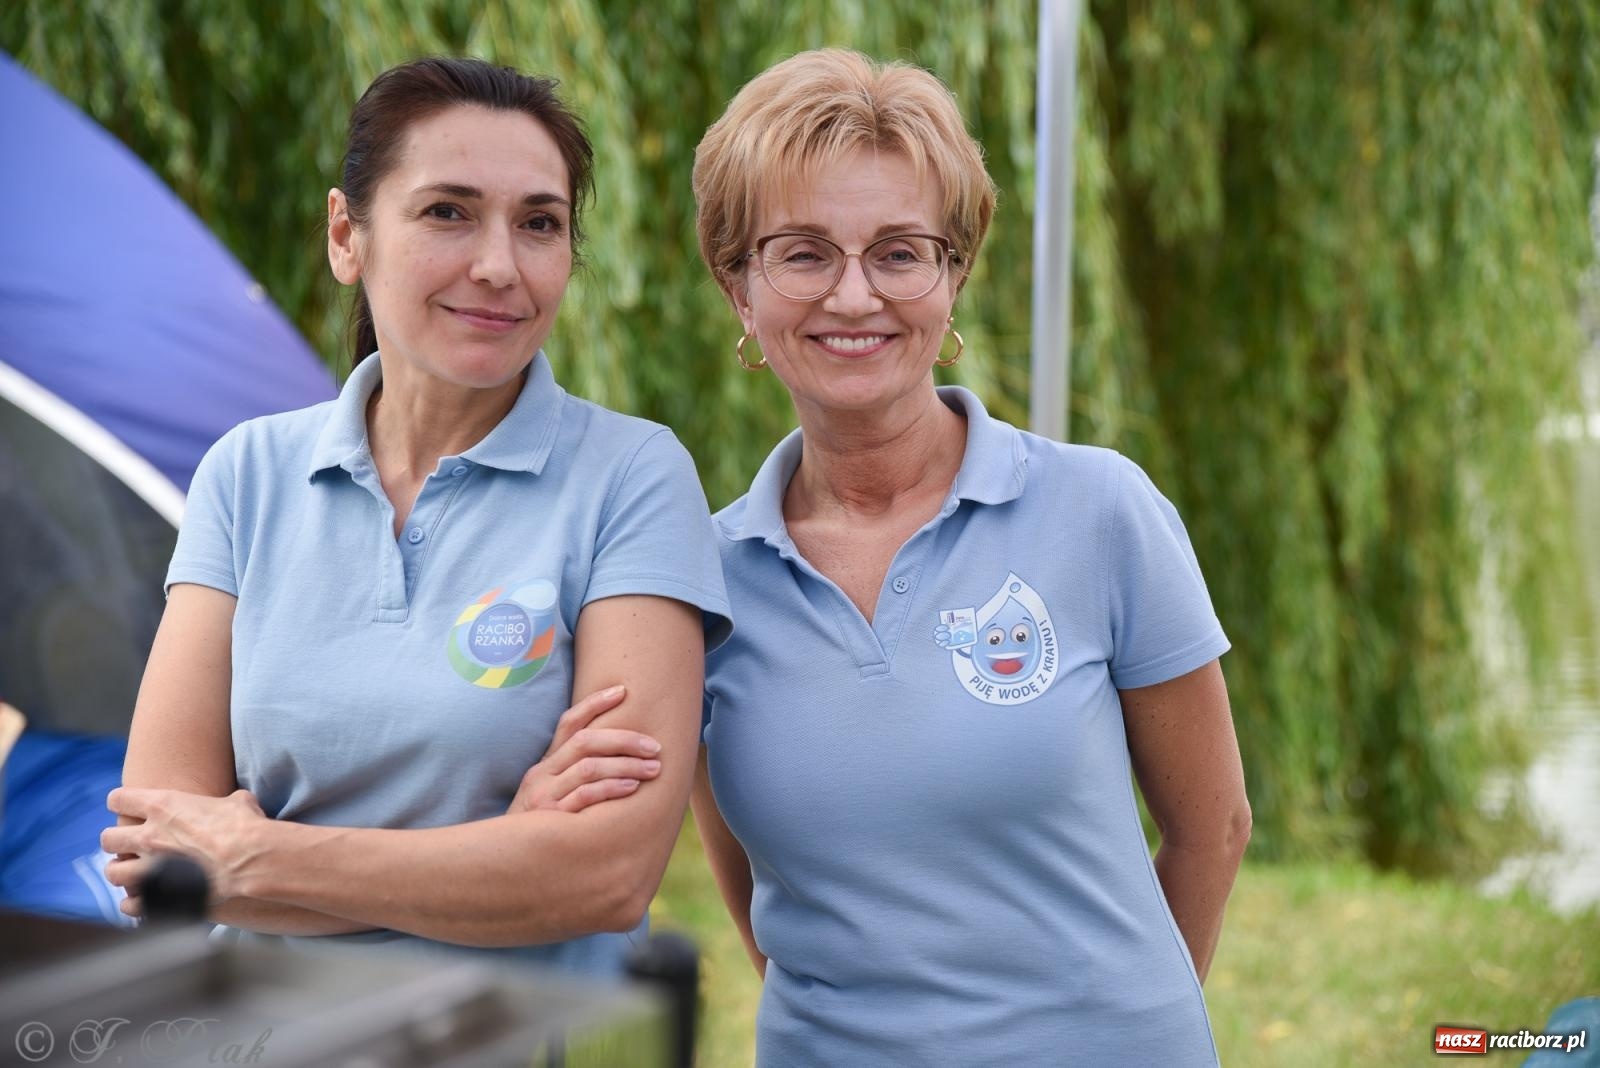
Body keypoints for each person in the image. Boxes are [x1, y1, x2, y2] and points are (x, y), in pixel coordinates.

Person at [101, 57, 729, 977]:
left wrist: (255, 857)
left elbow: (603, 877)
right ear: (346, 236)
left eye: (540, 224)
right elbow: (153, 868)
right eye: (448, 211)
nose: (498, 266)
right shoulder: (247, 474)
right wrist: (494, 857)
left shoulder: (632, 478)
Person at [690, 49, 1251, 1064]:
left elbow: (1212, 830)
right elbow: (762, 902)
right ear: (739, 288)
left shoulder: (1099, 510)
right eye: (803, 253)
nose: (854, 296)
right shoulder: (700, 583)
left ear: (953, 279)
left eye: (900, 253)